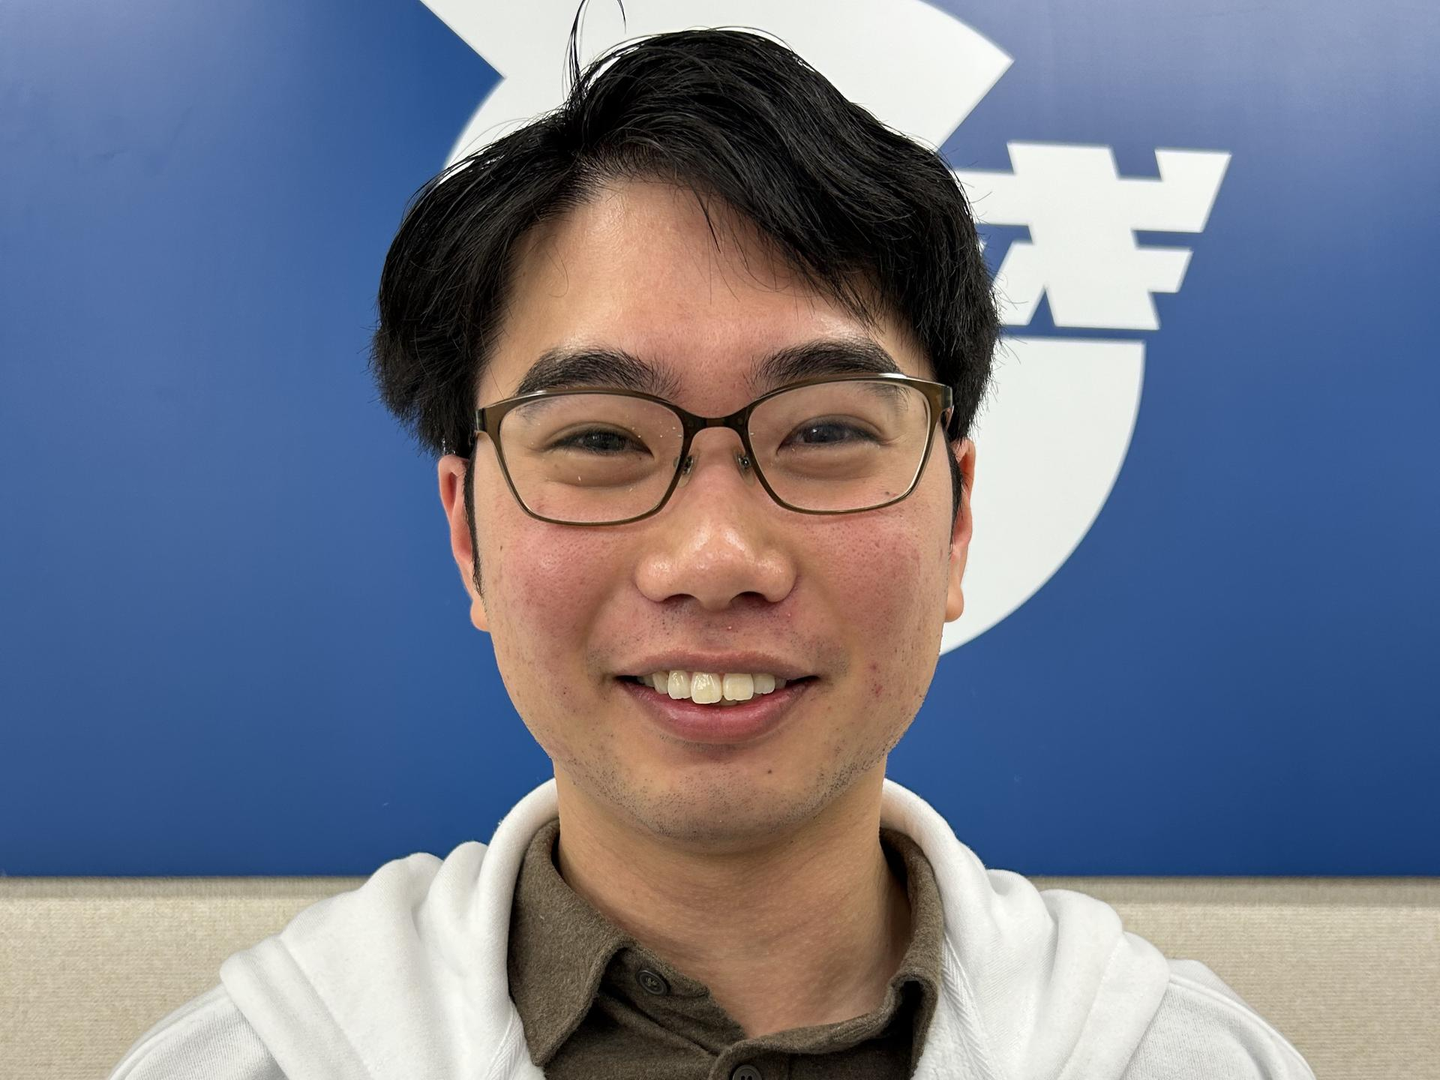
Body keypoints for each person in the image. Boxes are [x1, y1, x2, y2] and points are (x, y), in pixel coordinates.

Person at [108, 23, 1316, 1080]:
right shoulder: (245, 1063)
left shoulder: (1190, 1060)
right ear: (467, 534)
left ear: (955, 520)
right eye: (599, 439)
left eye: (826, 432)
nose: (716, 555)